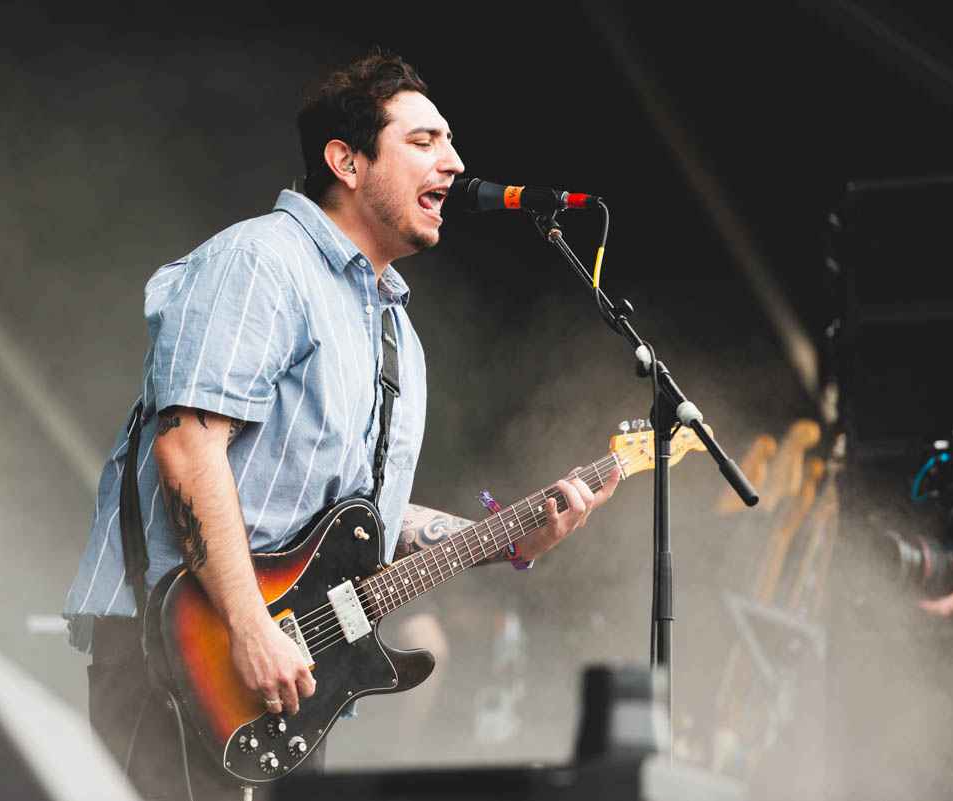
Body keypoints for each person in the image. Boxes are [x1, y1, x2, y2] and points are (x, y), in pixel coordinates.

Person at [62, 50, 619, 801]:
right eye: (423, 141)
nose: (455, 163)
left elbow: (360, 518)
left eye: (451, 141)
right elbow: (189, 448)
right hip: (185, 656)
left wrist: (508, 539)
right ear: (346, 162)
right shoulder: (261, 261)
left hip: (292, 686)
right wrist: (251, 627)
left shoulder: (395, 332)